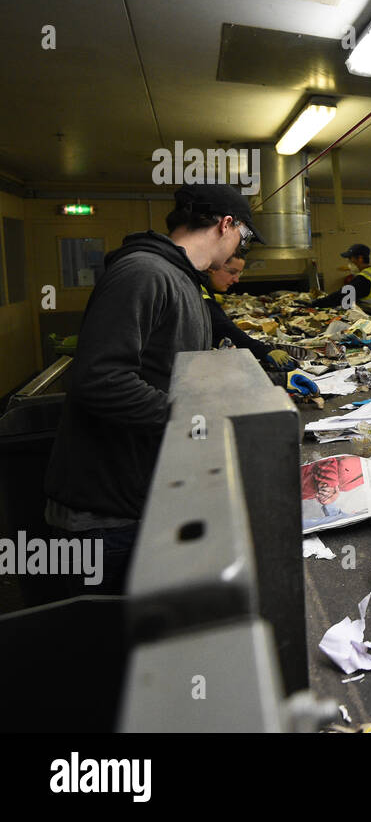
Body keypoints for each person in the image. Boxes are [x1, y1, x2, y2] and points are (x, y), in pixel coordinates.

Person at [43, 183, 264, 595]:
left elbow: (165, 367)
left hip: (142, 497)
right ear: (226, 224)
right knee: (103, 648)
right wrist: (203, 421)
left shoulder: (181, 280)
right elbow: (100, 380)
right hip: (105, 516)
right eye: (244, 237)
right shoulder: (144, 273)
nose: (241, 249)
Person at [202, 254, 298, 371]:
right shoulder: (201, 296)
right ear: (211, 267)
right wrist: (264, 351)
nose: (236, 279)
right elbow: (225, 328)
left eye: (239, 273)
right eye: (232, 272)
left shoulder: (203, 289)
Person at [312, 243, 371, 307]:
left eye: (350, 258)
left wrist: (315, 303)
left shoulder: (362, 278)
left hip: (369, 314)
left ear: (360, 259)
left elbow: (340, 296)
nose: (349, 262)